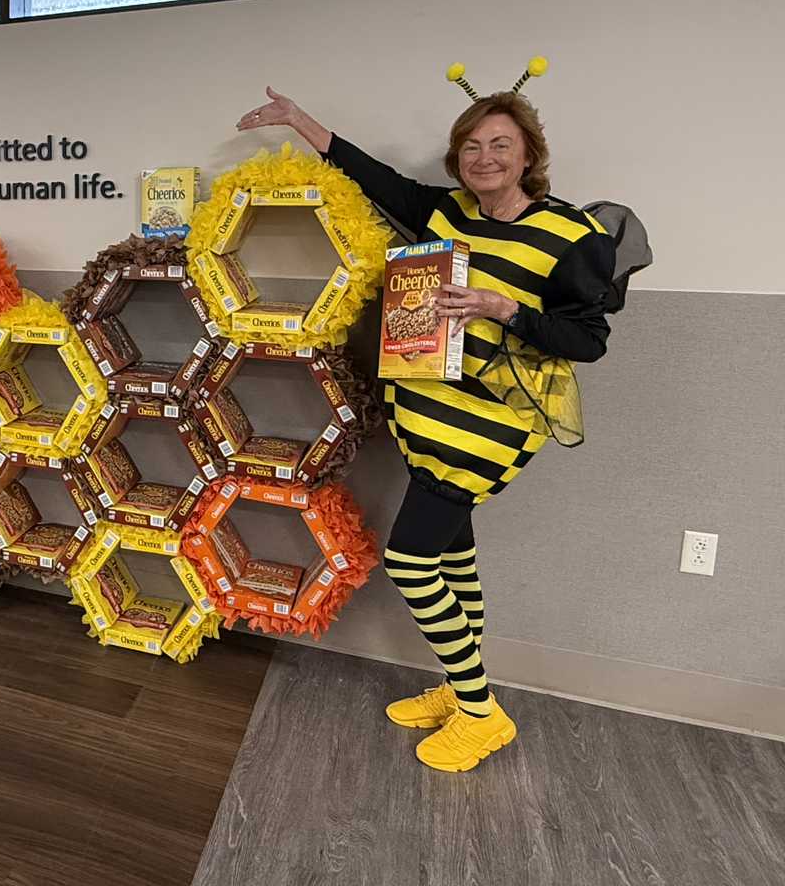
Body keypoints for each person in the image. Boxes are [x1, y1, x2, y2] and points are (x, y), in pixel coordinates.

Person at [236, 82, 614, 772]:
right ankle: (458, 688)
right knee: (451, 553)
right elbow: (372, 177)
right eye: (471, 145)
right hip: (424, 412)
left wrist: (504, 307)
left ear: (529, 153)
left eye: (501, 143)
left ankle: (481, 712)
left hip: (485, 426)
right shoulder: (446, 211)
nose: (485, 156)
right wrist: (298, 120)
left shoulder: (571, 236)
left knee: (412, 560)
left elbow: (587, 341)